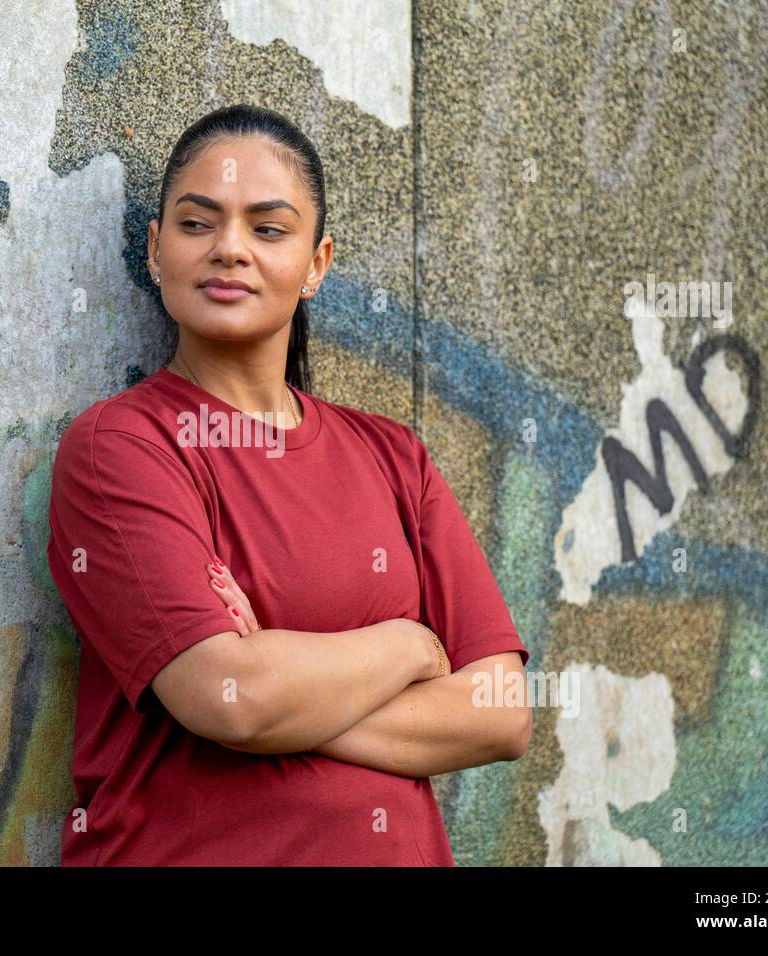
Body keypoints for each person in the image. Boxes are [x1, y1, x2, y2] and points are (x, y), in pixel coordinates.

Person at [46, 103, 531, 866]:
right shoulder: (121, 449)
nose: (230, 249)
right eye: (197, 223)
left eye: (268, 229)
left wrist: (282, 677)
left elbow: (502, 714)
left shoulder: (393, 456)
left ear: (316, 264)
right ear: (155, 247)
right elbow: (229, 702)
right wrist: (408, 646)